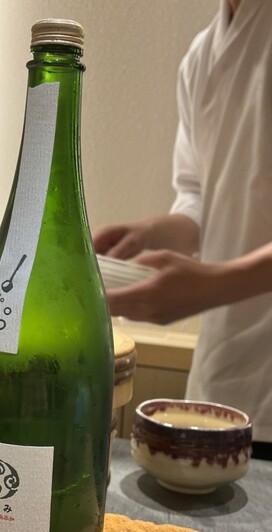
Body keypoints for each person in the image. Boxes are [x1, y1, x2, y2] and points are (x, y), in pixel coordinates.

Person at [93, 0, 272, 459]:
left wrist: (212, 285)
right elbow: (198, 199)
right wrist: (149, 233)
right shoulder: (201, 56)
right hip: (221, 381)